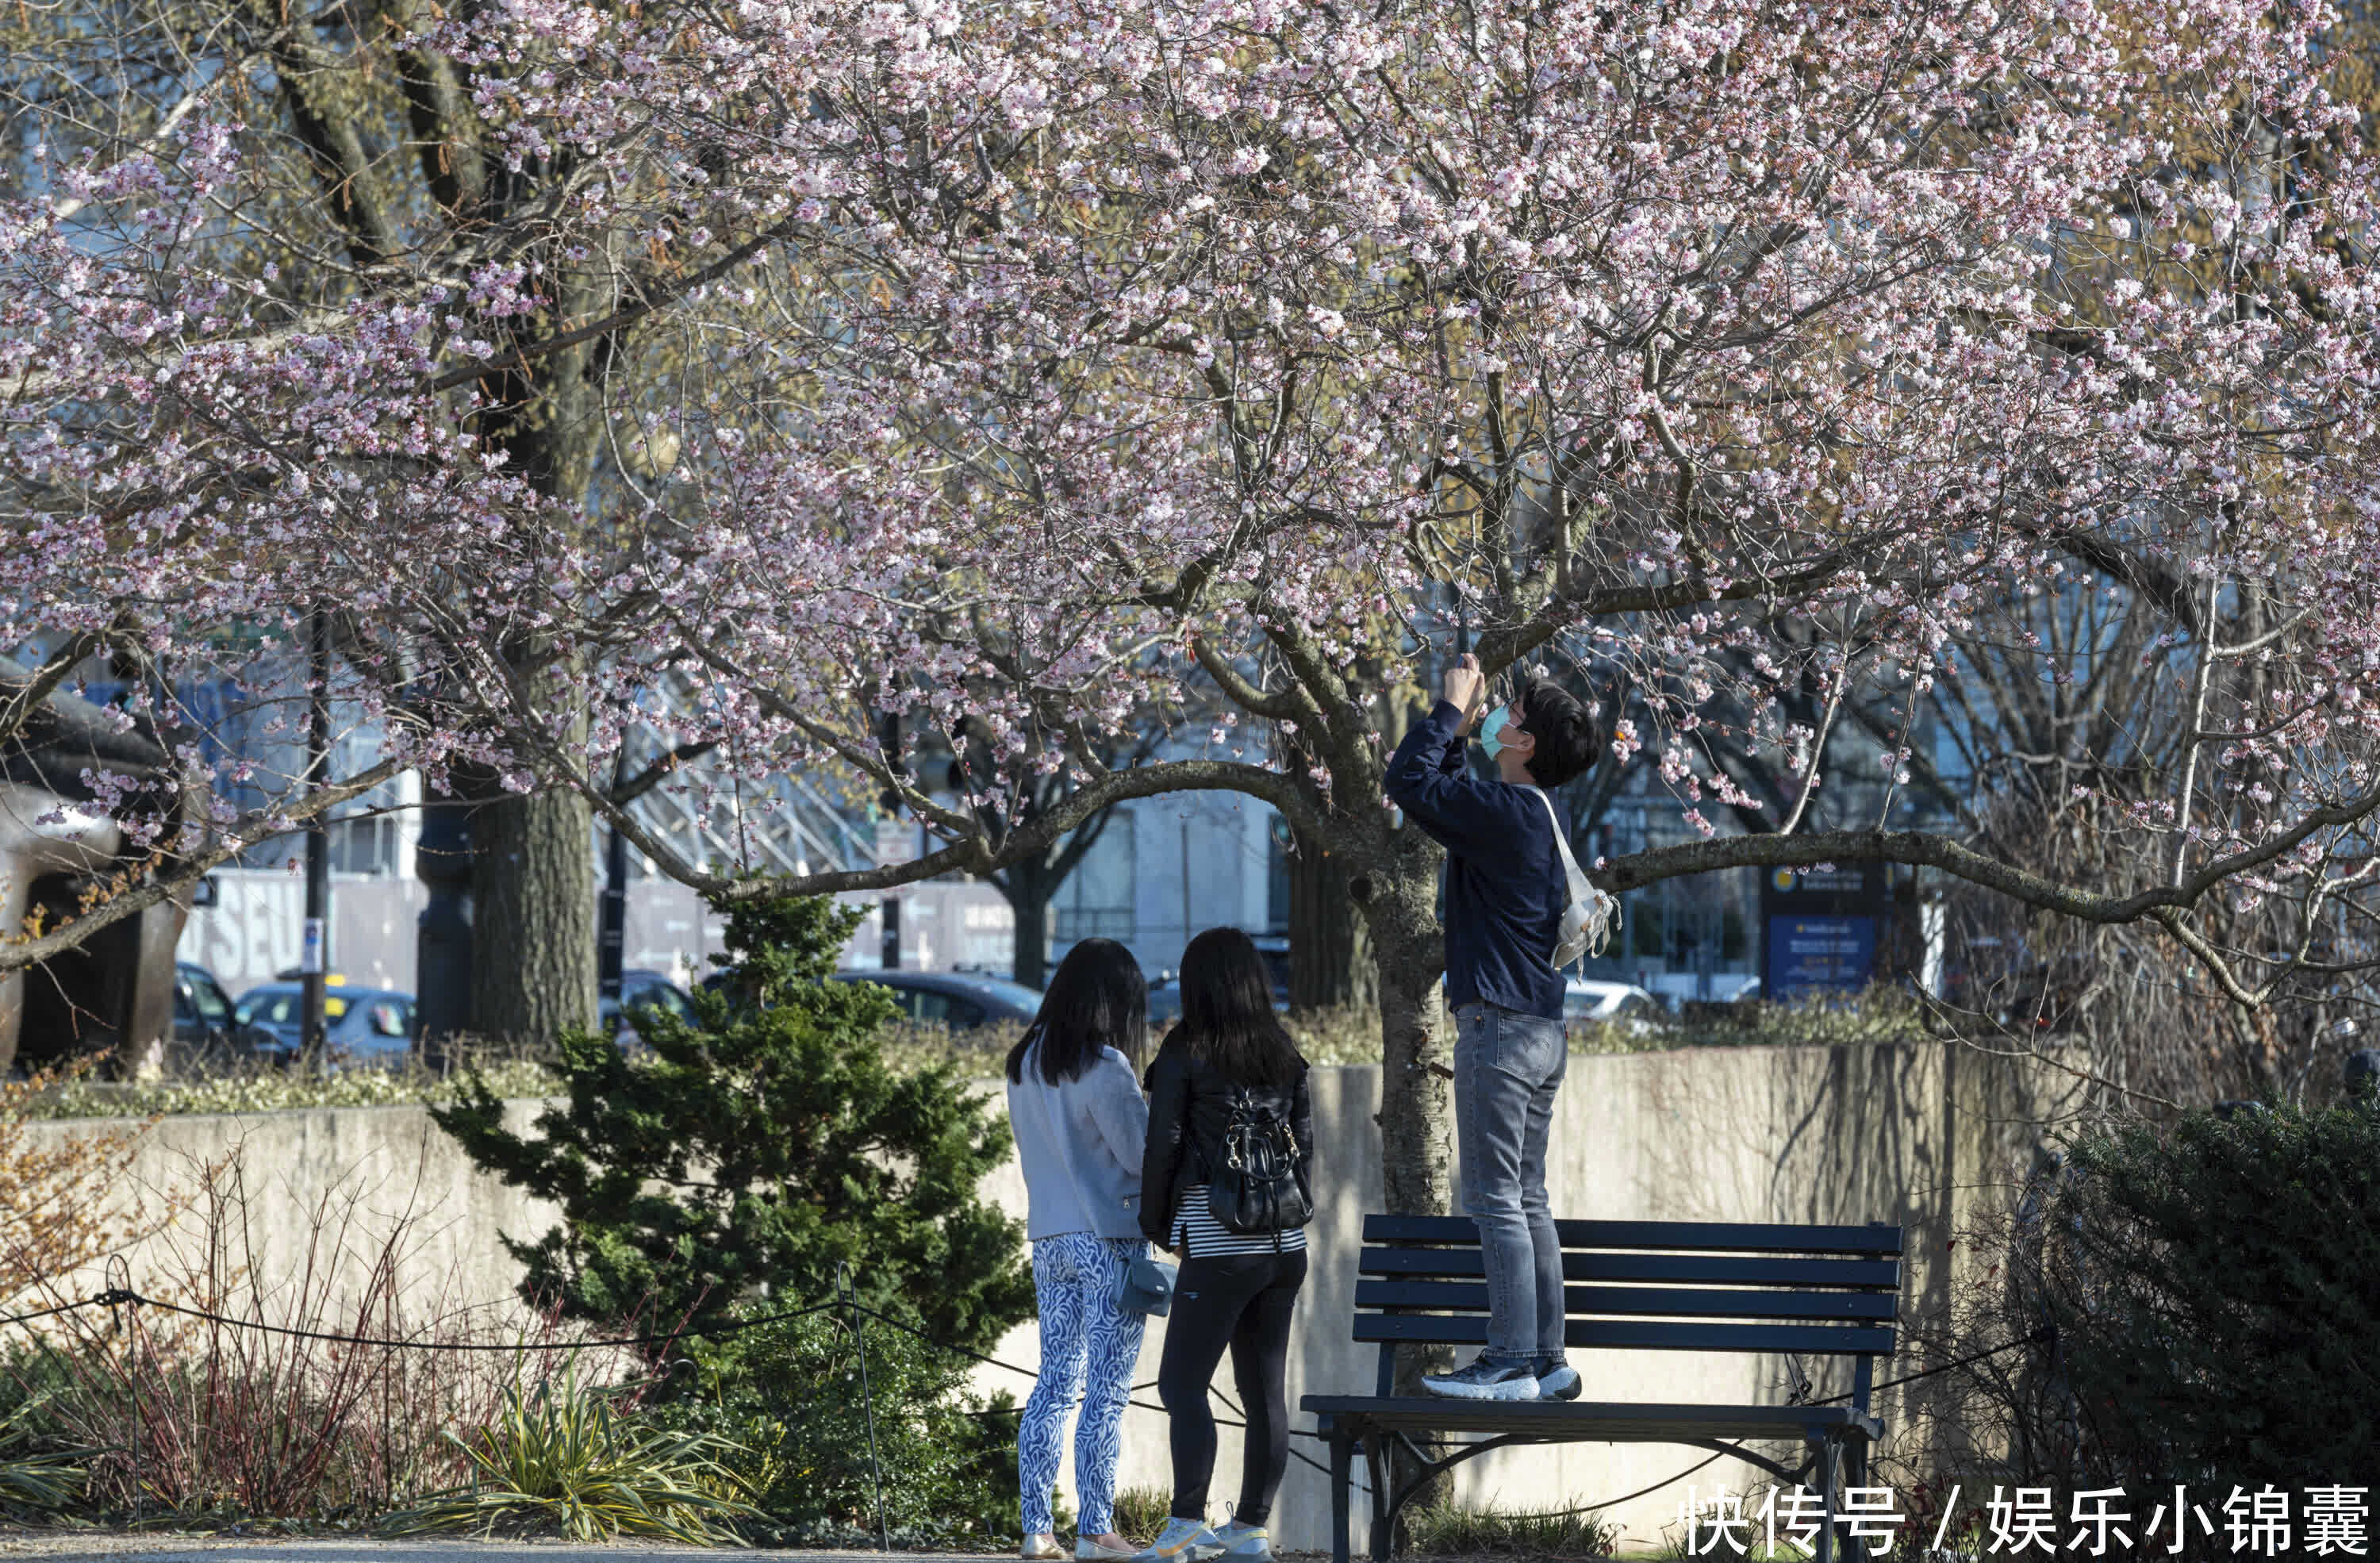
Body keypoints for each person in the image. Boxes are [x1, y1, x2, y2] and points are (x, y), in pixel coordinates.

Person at [1384, 651, 1603, 1402]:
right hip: (1542, 1027)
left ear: (1525, 744)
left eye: (1509, 714)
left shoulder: (1506, 814)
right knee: (1526, 1195)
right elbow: (1439, 792)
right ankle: (1546, 1357)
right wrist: (1464, 729)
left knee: (1492, 1197)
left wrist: (1449, 712)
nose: (1496, 717)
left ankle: (1509, 1358)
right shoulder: (1535, 814)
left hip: (1500, 1027)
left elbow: (1408, 784)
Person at [1134, 927, 1315, 1563]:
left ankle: (1187, 1521)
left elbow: (1165, 1144)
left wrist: (1156, 1223)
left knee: (1181, 1383)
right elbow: (1306, 1149)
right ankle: (1250, 1530)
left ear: (1199, 984)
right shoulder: (1283, 1048)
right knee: (1263, 1389)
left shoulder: (1187, 1047)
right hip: (1284, 1245)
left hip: (1219, 1243)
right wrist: (1289, 1217)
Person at [1007, 938, 1155, 1561]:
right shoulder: (1105, 1067)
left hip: (1051, 1238)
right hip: (1109, 1240)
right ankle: (1096, 1528)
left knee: (1054, 1383)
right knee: (1107, 1390)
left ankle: (1037, 1529)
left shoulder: (1024, 1063)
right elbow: (1140, 1160)